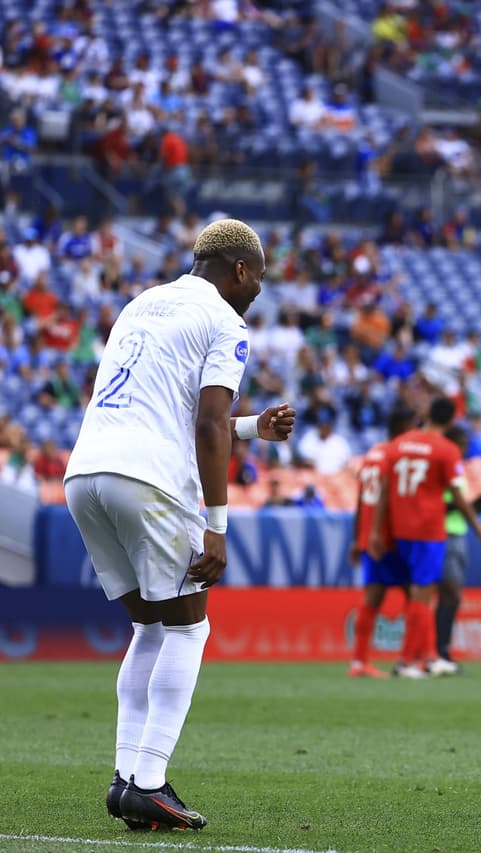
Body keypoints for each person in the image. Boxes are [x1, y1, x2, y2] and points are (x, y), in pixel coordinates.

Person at [64, 219, 295, 831]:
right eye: (259, 280)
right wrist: (215, 526)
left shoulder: (141, 303)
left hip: (86, 473)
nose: (258, 293)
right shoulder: (225, 319)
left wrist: (253, 429)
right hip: (150, 480)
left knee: (149, 628)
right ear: (240, 270)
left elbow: (174, 407)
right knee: (188, 630)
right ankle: (148, 781)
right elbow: (206, 424)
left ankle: (126, 779)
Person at [372, 397, 481, 678]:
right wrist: (477, 526)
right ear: (451, 421)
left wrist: (377, 530)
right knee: (421, 596)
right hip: (429, 530)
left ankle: (425, 657)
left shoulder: (399, 444)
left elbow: (385, 489)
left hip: (401, 529)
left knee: (417, 593)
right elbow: (458, 495)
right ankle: (407, 661)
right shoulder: (446, 450)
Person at [347, 407, 417, 679]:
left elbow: (361, 498)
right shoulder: (398, 454)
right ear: (403, 424)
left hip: (367, 536)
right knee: (416, 593)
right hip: (388, 536)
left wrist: (357, 538)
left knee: (372, 598)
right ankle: (409, 659)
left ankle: (359, 661)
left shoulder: (372, 454)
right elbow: (392, 499)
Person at [432, 421, 481, 675]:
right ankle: (439, 652)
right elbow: (441, 505)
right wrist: (472, 515)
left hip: (456, 534)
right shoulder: (446, 467)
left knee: (451, 595)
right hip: (445, 535)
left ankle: (440, 651)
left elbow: (452, 505)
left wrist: (472, 508)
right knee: (449, 594)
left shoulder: (456, 469)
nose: (466, 449)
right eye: (463, 445)